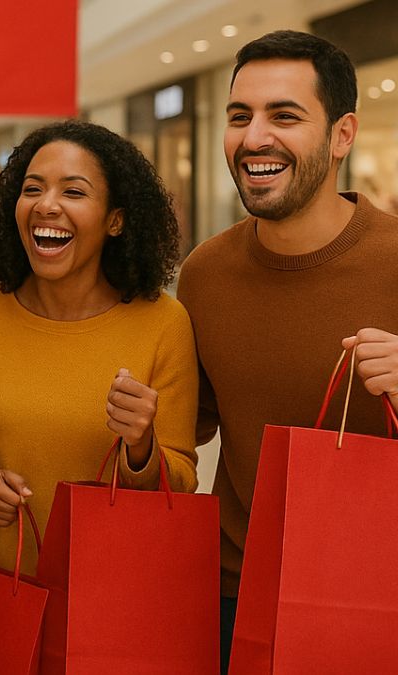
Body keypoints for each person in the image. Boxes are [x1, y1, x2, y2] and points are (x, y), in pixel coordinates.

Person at [175, 30, 398, 673]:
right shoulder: (205, 275)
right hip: (235, 597)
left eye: (285, 115)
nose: (254, 138)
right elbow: (183, 437)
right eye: (239, 115)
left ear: (342, 135)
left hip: (374, 598)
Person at [0, 120, 199, 575]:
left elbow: (180, 483)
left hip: (111, 588)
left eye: (74, 192)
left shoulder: (164, 323)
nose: (46, 205)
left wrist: (141, 447)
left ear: (115, 220)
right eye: (32, 189)